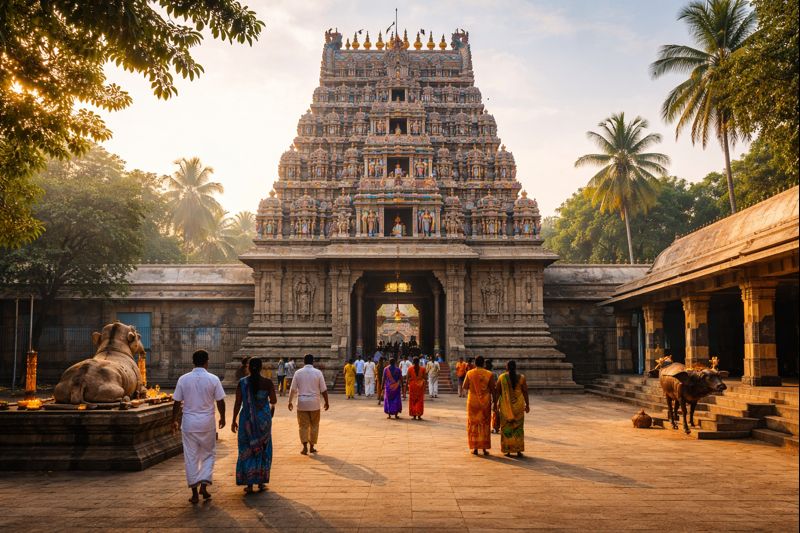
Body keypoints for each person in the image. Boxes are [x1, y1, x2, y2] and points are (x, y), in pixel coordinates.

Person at [172, 349, 226, 503]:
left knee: (191, 456)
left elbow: (176, 402)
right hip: (207, 423)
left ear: (193, 362)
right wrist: (222, 417)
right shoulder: (213, 379)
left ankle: (195, 492)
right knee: (208, 454)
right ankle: (204, 484)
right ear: (207, 362)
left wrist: (173, 420)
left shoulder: (183, 379)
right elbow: (220, 401)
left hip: (189, 423)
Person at [232, 358, 277, 493]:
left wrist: (233, 419)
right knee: (263, 449)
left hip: (247, 421)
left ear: (249, 368)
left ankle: (249, 483)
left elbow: (238, 403)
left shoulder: (242, 383)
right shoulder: (267, 383)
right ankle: (261, 482)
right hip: (264, 421)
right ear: (261, 367)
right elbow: (273, 400)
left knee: (247, 449)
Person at [288, 354, 329, 455]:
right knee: (314, 425)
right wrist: (326, 402)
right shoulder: (318, 373)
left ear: (304, 361)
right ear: (313, 361)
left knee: (303, 425)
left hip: (302, 403)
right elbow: (323, 389)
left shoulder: (298, 373)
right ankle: (312, 446)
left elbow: (292, 389)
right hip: (314, 403)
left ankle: (304, 447)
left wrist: (289, 401)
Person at [461, 355, 496, 456]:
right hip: (485, 402)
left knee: (473, 423)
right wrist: (495, 402)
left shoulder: (470, 373)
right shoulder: (489, 374)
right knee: (485, 424)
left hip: (473, 402)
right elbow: (493, 390)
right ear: (483, 363)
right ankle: (484, 448)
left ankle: (475, 448)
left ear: (475, 363)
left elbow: (464, 386)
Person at [493, 360, 529, 457]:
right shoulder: (522, 378)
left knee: (507, 427)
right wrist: (527, 405)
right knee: (518, 428)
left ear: (507, 367)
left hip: (505, 407)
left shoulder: (502, 377)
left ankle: (507, 449)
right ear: (515, 367)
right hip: (519, 407)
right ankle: (518, 450)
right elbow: (525, 392)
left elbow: (497, 392)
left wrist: (494, 404)